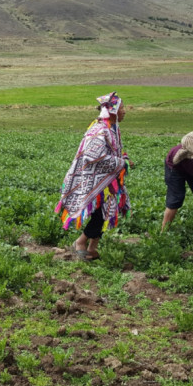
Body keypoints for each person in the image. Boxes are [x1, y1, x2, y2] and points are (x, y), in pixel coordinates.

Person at [55, 92, 132, 261]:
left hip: (106, 181)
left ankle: (92, 248)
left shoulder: (112, 128)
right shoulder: (99, 130)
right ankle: (80, 242)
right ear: (113, 111)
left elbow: (112, 152)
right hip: (94, 179)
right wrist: (120, 163)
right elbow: (93, 156)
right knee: (101, 214)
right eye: (122, 108)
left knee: (106, 211)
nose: (125, 111)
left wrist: (123, 159)